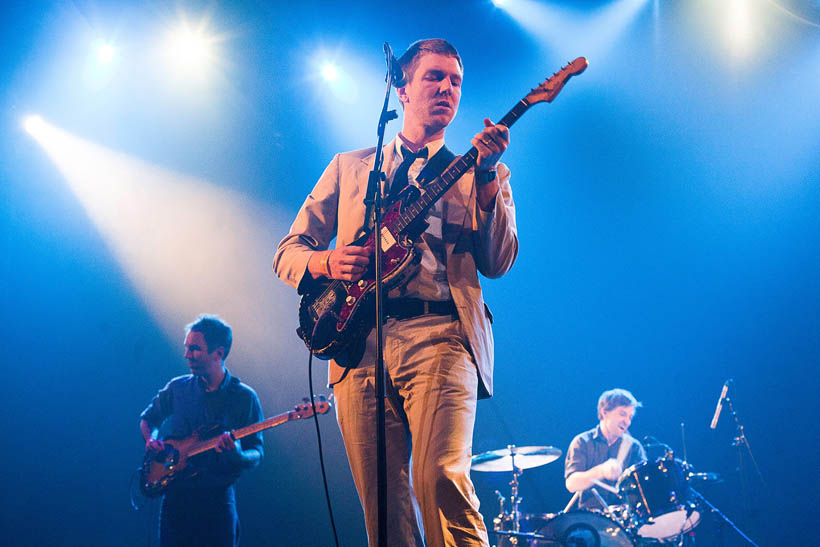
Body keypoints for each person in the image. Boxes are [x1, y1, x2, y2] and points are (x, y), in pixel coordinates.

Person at [273, 39, 517, 546]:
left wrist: (489, 174)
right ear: (400, 88)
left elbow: (498, 261)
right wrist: (326, 261)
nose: (447, 88)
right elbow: (288, 250)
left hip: (441, 335)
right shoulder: (351, 167)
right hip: (357, 345)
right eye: (434, 77)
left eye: (455, 81)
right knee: (383, 512)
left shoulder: (477, 170)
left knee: (440, 480)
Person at [140, 314, 264, 547]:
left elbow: (256, 453)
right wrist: (151, 440)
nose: (187, 355)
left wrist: (237, 455)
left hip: (216, 502)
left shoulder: (243, 397)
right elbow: (148, 419)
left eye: (195, 349)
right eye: (187, 348)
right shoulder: (178, 388)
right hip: (176, 500)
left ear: (218, 353)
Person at [564, 388, 647, 509]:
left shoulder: (634, 447)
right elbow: (571, 484)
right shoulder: (582, 442)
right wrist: (601, 471)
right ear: (604, 412)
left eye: (630, 417)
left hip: (625, 520)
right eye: (622, 414)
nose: (627, 421)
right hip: (591, 518)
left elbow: (644, 487)